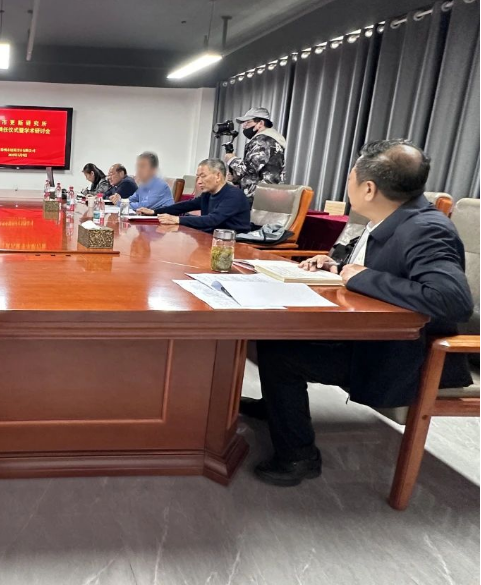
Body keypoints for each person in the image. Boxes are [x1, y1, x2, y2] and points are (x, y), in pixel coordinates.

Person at [240, 140, 474, 487]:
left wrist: (361, 277)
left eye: (351, 176)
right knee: (275, 335)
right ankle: (276, 405)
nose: (348, 182)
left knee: (281, 354)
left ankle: (299, 456)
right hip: (371, 335)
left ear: (368, 188)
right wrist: (337, 267)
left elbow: (452, 299)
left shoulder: (427, 228)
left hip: (403, 356)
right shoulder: (391, 218)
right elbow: (383, 270)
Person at [139, 158, 250, 233]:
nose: (199, 181)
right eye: (198, 177)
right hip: (210, 239)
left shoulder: (234, 195)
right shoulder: (208, 194)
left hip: (234, 244)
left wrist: (177, 219)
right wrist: (155, 212)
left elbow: (212, 220)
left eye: (203, 176)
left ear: (218, 176)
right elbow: (184, 206)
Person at [225, 106, 286, 200]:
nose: (244, 126)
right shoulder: (272, 140)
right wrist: (236, 178)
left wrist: (231, 160)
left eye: (248, 122)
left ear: (261, 123)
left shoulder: (263, 141)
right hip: (268, 195)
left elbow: (250, 169)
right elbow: (258, 171)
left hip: (258, 197)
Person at [109, 151, 174, 211]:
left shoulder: (160, 186)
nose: (139, 170)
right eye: (138, 167)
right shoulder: (143, 186)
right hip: (147, 218)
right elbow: (131, 199)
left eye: (142, 166)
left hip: (161, 219)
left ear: (153, 170)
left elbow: (144, 206)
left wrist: (120, 203)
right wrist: (120, 200)